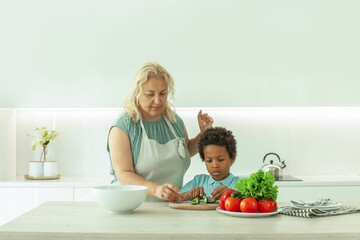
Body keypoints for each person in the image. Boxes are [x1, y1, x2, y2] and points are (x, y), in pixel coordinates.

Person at [107, 62, 214, 202]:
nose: (158, 101)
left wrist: (204, 134)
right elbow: (124, 175)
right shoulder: (123, 127)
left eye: (163, 93)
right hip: (134, 207)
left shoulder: (174, 121)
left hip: (172, 207)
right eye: (150, 94)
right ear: (137, 93)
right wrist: (156, 190)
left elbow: (185, 150)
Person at [180, 127, 240, 201]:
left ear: (232, 158)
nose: (215, 165)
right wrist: (189, 194)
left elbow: (253, 202)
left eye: (220, 160)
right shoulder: (198, 181)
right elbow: (177, 198)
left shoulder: (240, 183)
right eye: (209, 160)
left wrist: (231, 193)